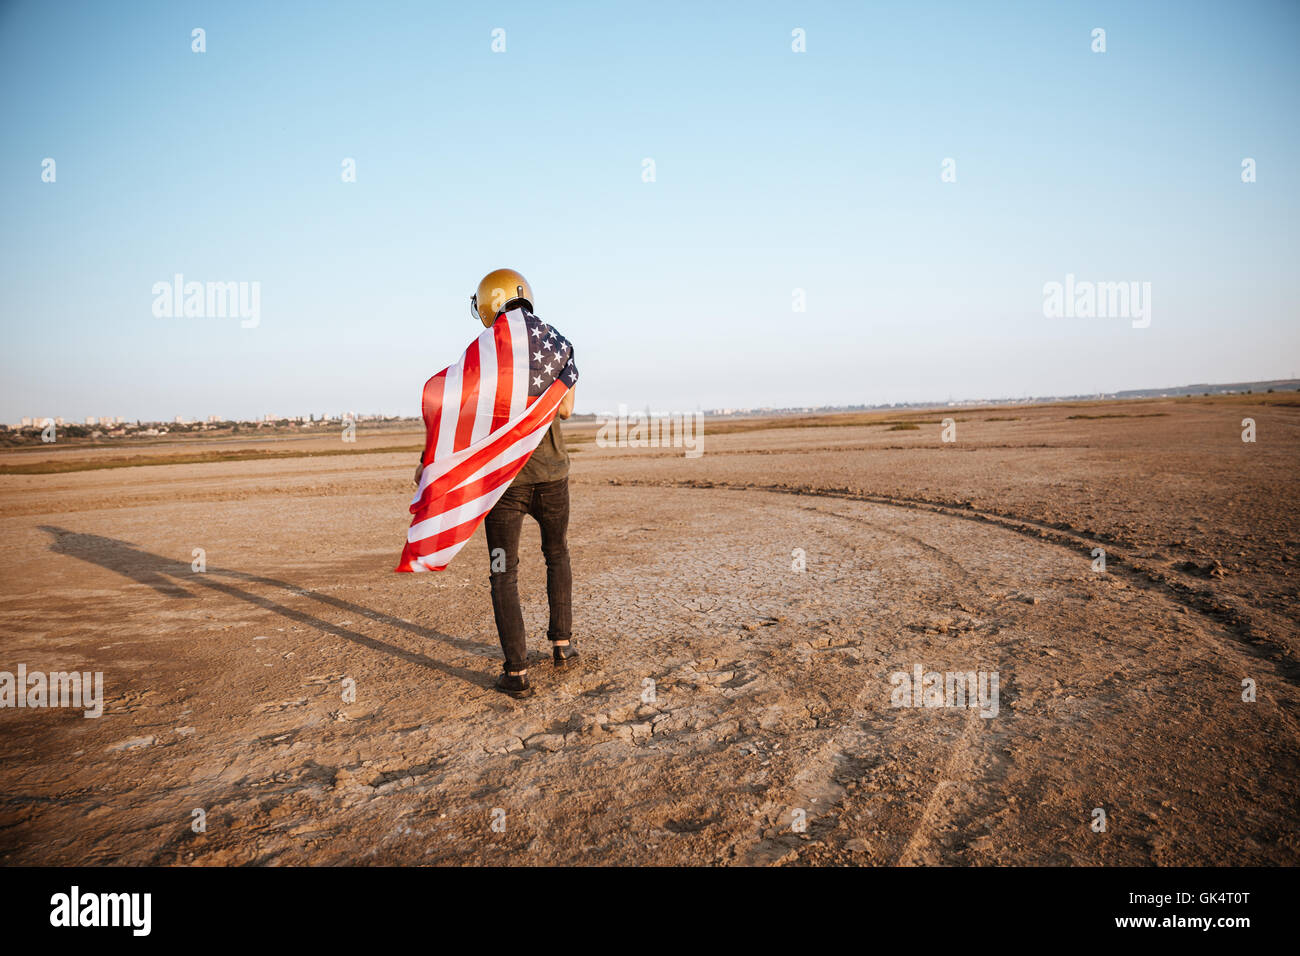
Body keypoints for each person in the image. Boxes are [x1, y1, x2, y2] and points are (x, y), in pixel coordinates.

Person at [413, 268, 577, 699]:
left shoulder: (487, 352)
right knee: (557, 554)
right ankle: (562, 645)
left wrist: (430, 461)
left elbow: (461, 413)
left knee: (504, 572)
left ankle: (517, 672)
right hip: (554, 475)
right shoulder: (556, 341)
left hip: (505, 483)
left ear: (490, 301)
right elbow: (565, 411)